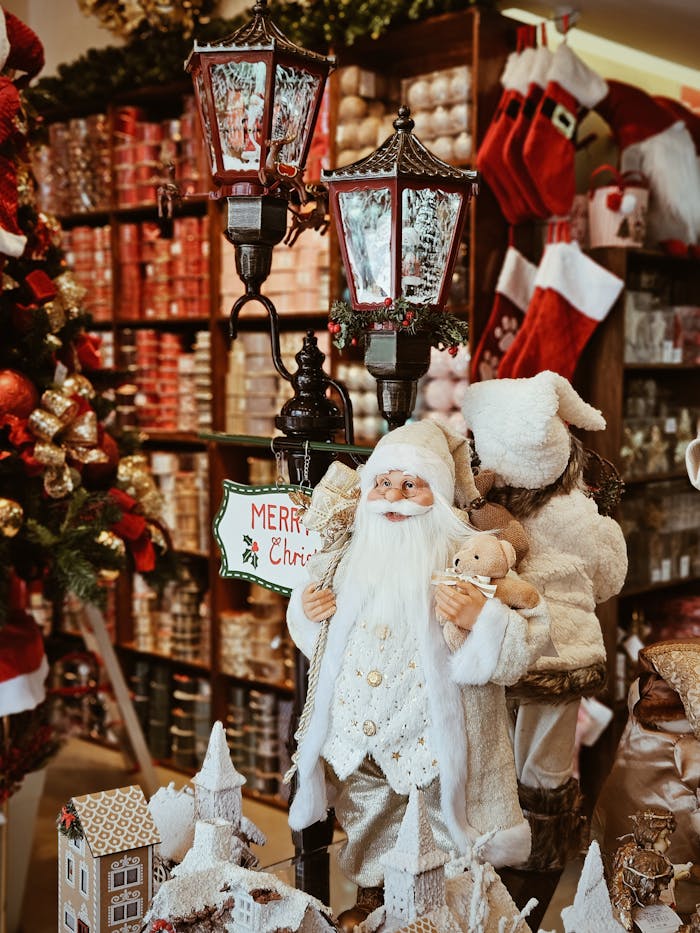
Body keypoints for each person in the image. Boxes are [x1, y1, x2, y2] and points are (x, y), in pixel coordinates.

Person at [285, 420, 550, 925]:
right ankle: (372, 890)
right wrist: (308, 612)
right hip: (360, 735)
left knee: (439, 827)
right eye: (384, 483)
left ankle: (442, 903)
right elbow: (314, 634)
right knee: (366, 811)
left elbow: (533, 635)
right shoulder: (345, 555)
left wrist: (482, 619)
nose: (394, 497)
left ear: (440, 496)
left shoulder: (469, 559)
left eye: (412, 485)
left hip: (435, 735)